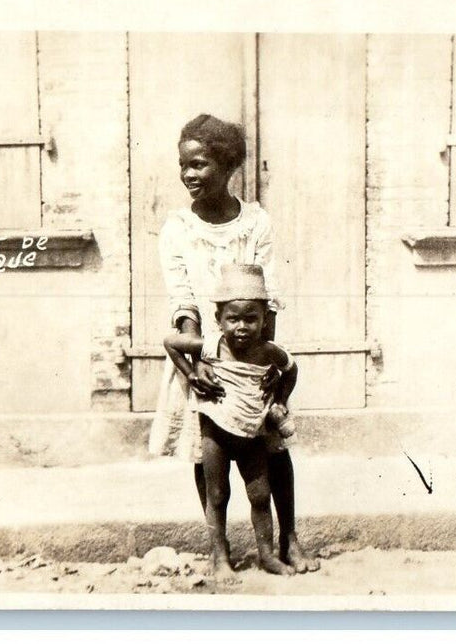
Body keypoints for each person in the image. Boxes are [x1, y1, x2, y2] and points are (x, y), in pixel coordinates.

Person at [147, 113, 319, 573]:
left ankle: (288, 540)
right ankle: (218, 550)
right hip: (202, 356)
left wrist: (264, 367)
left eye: (199, 165)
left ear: (227, 167)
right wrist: (195, 364)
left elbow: (269, 296)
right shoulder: (177, 229)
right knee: (209, 457)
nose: (189, 175)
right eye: (183, 165)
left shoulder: (255, 224)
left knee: (272, 452)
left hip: (252, 351)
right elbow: (182, 301)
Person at [163, 264, 299, 581]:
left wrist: (279, 397)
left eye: (251, 319)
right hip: (215, 434)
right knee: (218, 494)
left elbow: (291, 369)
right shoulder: (212, 345)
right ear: (219, 320)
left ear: (265, 319)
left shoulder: (269, 352)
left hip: (253, 432)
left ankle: (266, 555)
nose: (241, 327)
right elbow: (171, 343)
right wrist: (191, 371)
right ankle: (220, 556)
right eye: (233, 318)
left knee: (260, 495)